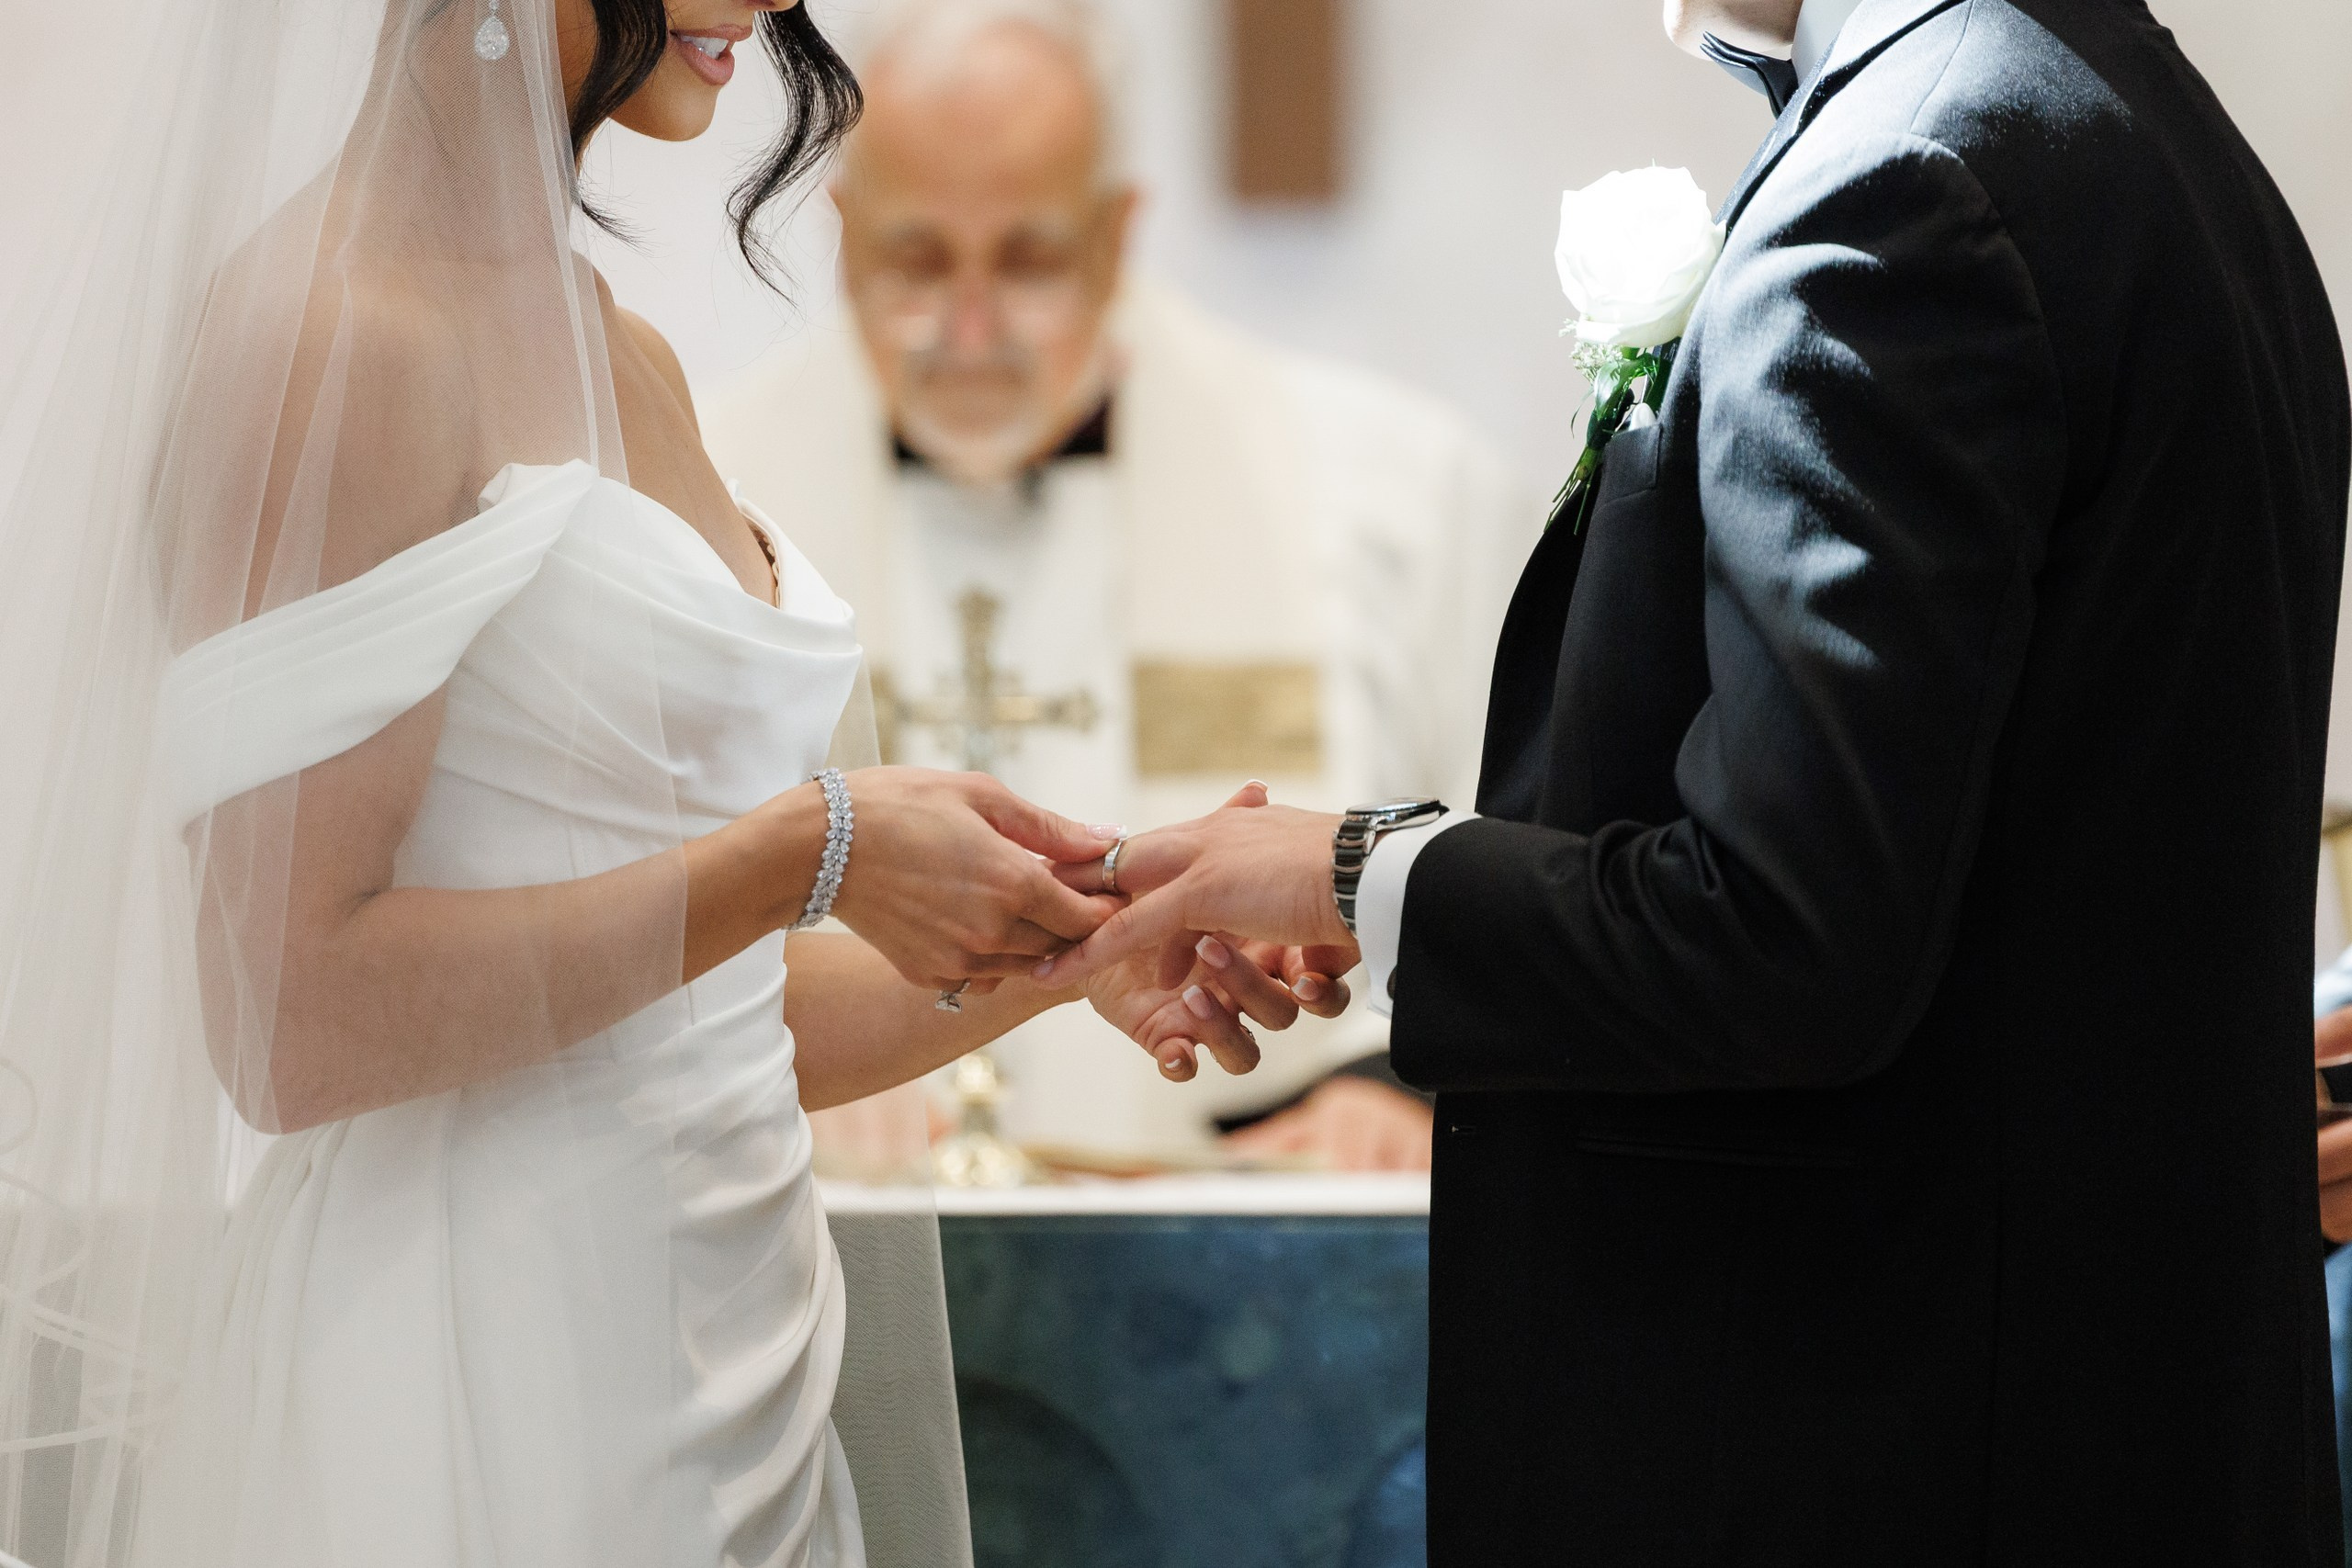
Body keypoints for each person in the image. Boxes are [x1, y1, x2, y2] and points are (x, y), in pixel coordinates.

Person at [0, 2, 1329, 1563]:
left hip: (722, 1356)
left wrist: (1075, 942)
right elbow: (285, 1022)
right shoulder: (334, 337)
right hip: (479, 1373)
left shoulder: (606, 337)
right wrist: (809, 852)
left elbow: (689, 1014)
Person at [1040, 0, 2352, 1559]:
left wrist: (1359, 873)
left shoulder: (1909, 182)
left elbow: (1788, 934)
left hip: (1884, 1451)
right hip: (2108, 1420)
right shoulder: (2125, 118)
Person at [699, 0, 1532, 1170]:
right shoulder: (702, 497)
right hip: (819, 1215)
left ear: (1116, 235)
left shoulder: (1391, 499)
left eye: (1028, 259)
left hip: (1253, 1206)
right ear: (842, 232)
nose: (970, 325)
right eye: (918, 260)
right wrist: (783, 1061)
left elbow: (1511, 847)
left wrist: (1395, 1083)